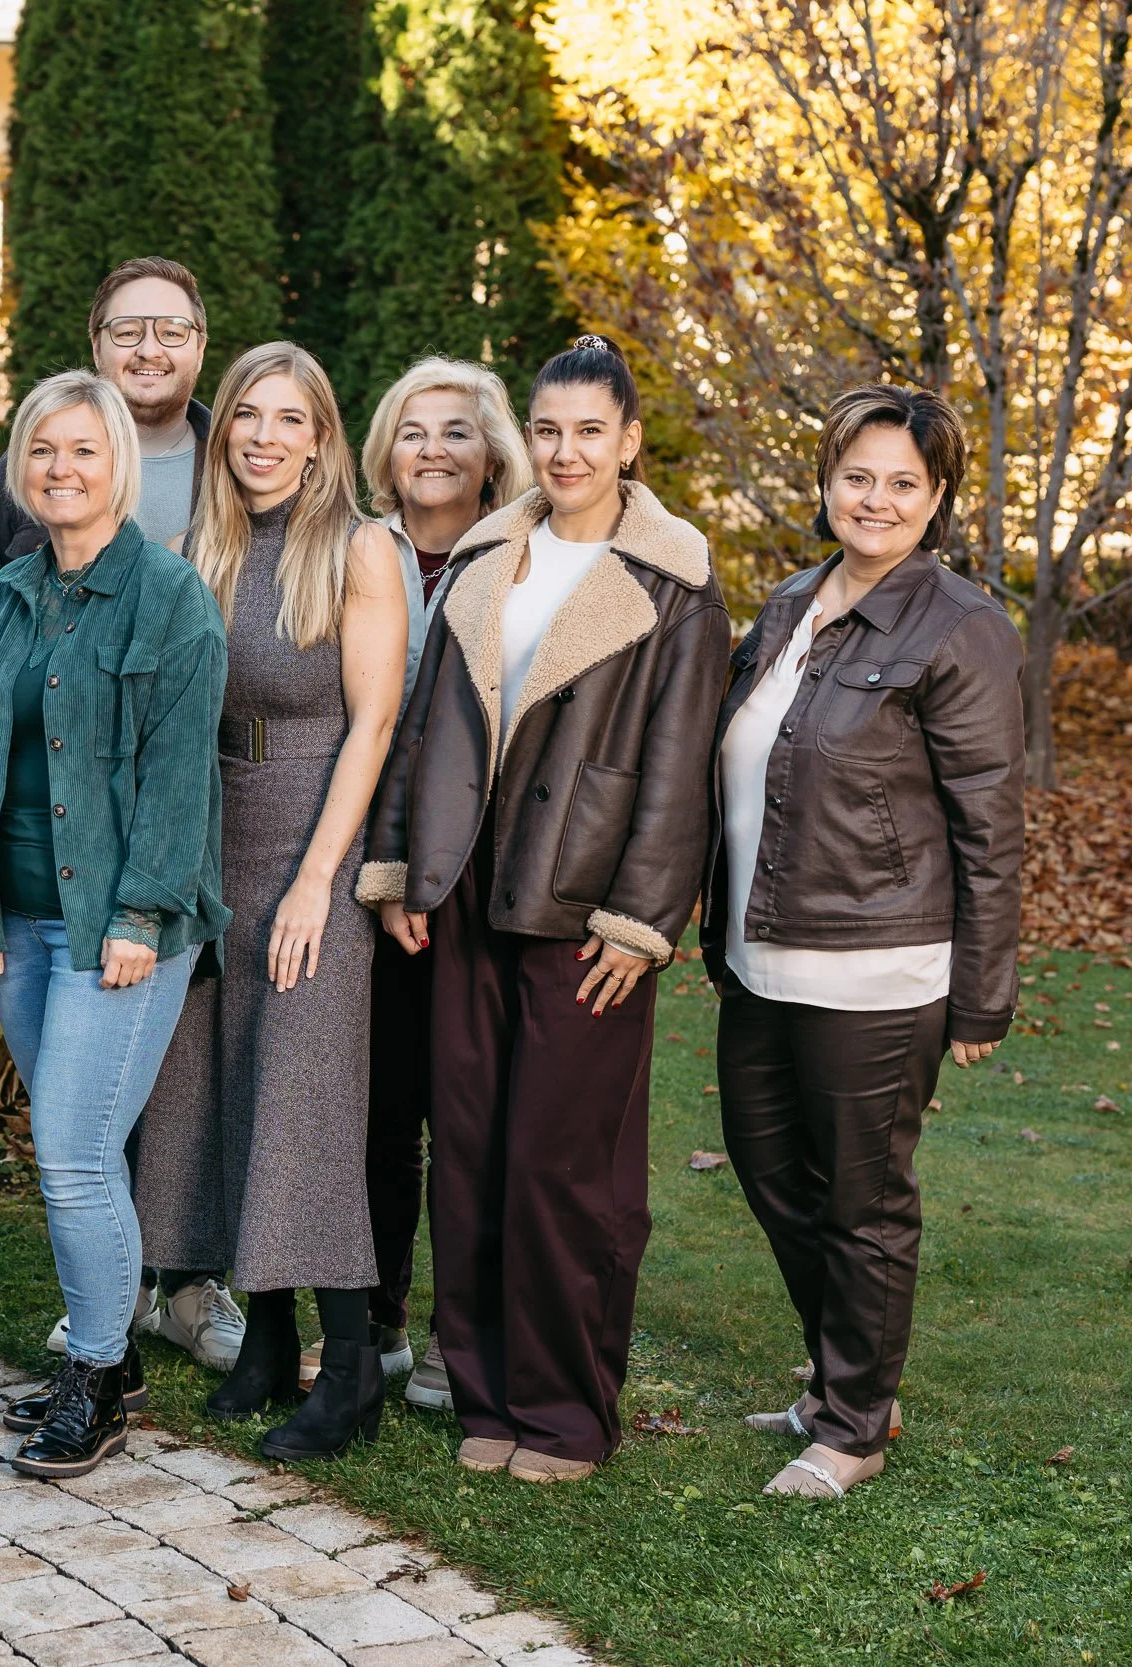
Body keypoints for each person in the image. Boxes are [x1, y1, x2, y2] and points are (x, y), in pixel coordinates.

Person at [358, 334, 728, 1483]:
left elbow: (681, 765)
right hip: (467, 888)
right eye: (550, 430)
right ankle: (485, 1393)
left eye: (590, 431)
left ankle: (565, 1410)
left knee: (562, 1167)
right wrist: (394, 864)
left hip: (586, 910)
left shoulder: (674, 581)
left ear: (628, 441)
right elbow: (426, 724)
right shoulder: (487, 553)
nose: (567, 451)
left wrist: (641, 917)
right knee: (469, 1150)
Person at [708, 385, 1022, 1499]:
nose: (874, 499)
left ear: (936, 500)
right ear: (827, 482)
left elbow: (990, 825)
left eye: (902, 483)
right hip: (761, 954)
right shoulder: (790, 602)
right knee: (768, 1169)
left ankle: (851, 1425)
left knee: (862, 1200)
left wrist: (982, 994)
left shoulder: (962, 627)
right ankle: (852, 1378)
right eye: (857, 476)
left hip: (882, 968)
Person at [0, 371, 230, 1480]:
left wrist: (142, 913)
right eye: (42, 450)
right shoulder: (13, 590)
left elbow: (179, 774)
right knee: (76, 1153)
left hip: (119, 925)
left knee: (71, 1154)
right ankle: (110, 1355)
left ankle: (100, 1377)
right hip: (22, 917)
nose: (60, 468)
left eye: (83, 449)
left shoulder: (169, 596)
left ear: (120, 464)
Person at [135, 343, 406, 1461]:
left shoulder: (358, 547)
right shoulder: (200, 547)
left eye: (289, 418)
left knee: (304, 1099)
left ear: (321, 437)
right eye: (247, 413)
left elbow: (374, 725)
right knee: (220, 1088)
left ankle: (349, 1370)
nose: (262, 435)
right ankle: (266, 1339)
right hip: (214, 836)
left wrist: (314, 882)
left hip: (312, 835)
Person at [354, 357, 532, 1413]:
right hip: (359, 867)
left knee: (470, 1112)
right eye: (413, 431)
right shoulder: (357, 551)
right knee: (381, 1109)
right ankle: (377, 1312)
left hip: (476, 875)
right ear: (386, 453)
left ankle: (454, 1332)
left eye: (456, 431)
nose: (432, 449)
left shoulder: (525, 558)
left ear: (491, 453)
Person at [0, 257, 211, 585]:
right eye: (128, 332)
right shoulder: (29, 468)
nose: (149, 350)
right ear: (97, 346)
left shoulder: (238, 469)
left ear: (200, 348)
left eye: (171, 332)